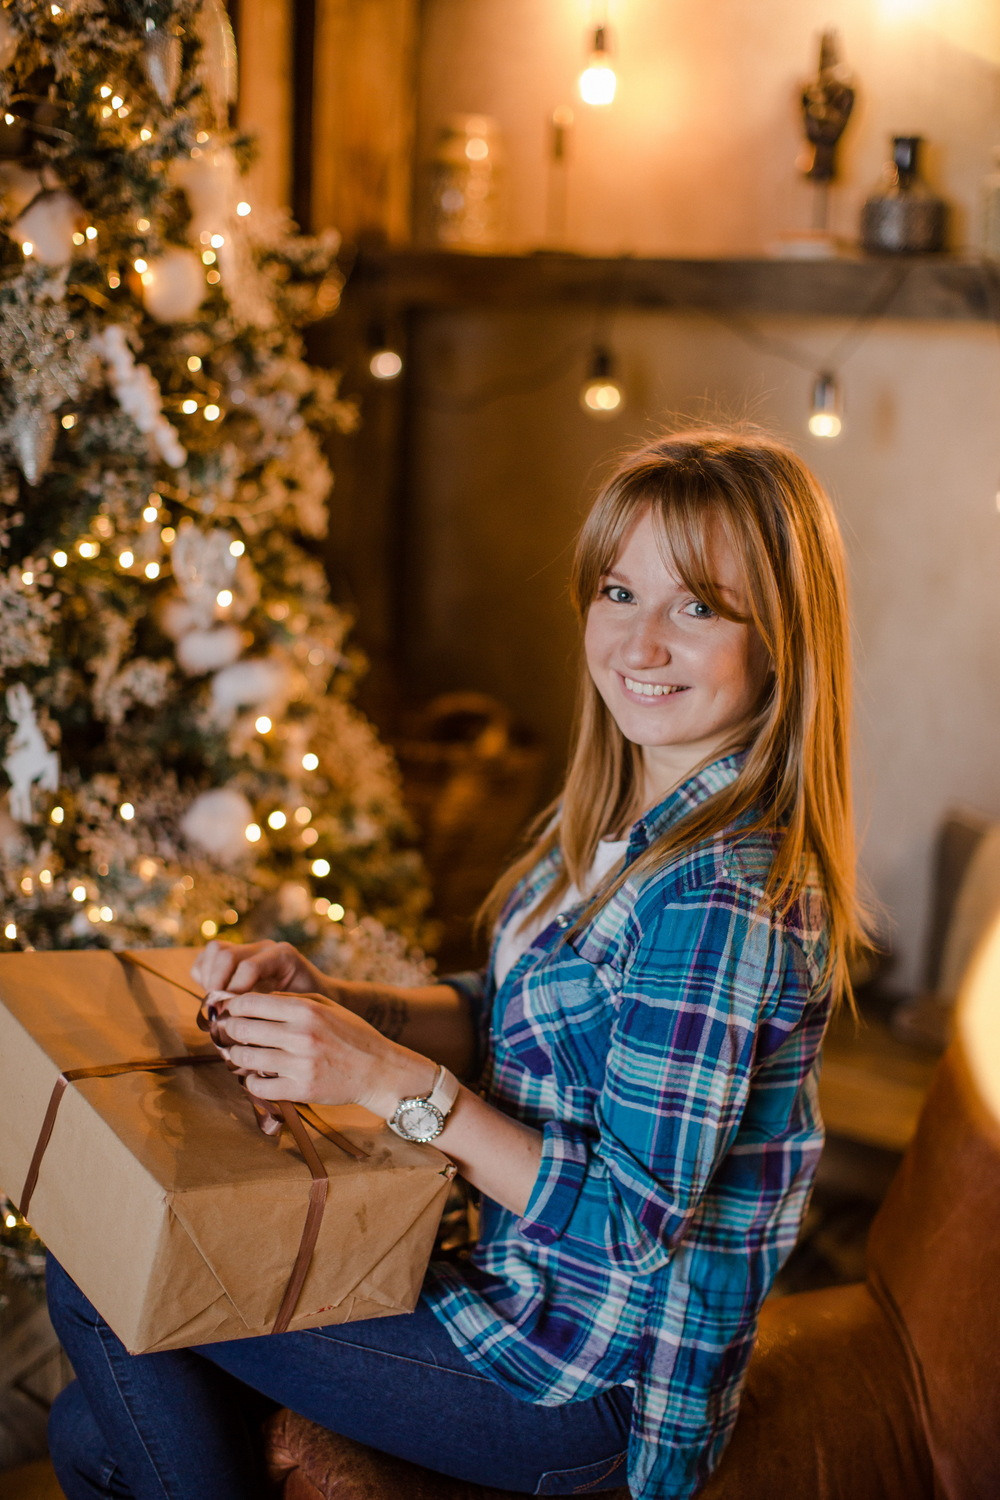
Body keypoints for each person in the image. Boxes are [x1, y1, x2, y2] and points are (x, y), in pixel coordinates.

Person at [47, 428, 866, 1499]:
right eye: (619, 592)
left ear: (783, 643)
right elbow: (504, 1014)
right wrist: (337, 1002)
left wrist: (379, 1079)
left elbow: (628, 1227)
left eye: (699, 606)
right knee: (90, 1434)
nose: (639, 641)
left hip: (589, 1382)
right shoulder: (620, 829)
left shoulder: (719, 895)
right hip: (511, 1290)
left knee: (101, 1259)